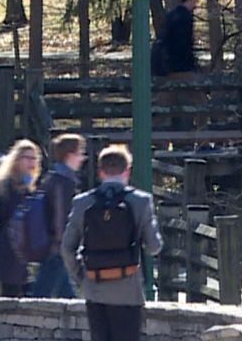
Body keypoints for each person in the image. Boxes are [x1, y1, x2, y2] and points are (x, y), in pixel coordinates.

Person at [61, 145, 163, 341]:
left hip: (95, 288)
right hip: (128, 290)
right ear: (127, 171)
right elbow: (154, 247)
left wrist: (82, 277)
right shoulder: (141, 201)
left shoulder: (83, 202)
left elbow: (67, 248)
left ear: (100, 172)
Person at [30, 133, 86, 298]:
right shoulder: (64, 182)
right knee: (40, 296)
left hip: (52, 246)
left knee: (64, 294)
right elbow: (61, 218)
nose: (82, 158)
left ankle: (78, 320)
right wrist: (67, 244)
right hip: (57, 248)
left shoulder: (53, 178)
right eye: (80, 153)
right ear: (70, 155)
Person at [0, 138, 41, 297]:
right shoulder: (6, 187)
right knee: (12, 295)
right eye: (27, 158)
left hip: (22, 251)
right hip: (8, 250)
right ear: (16, 160)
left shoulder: (28, 185)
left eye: (34, 158)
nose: (32, 162)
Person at [153, 0, 203, 132]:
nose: (197, 1)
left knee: (163, 108)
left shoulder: (172, 15)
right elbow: (184, 46)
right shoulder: (185, 18)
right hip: (183, 70)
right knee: (203, 105)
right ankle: (203, 141)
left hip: (169, 70)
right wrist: (192, 65)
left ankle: (153, 139)